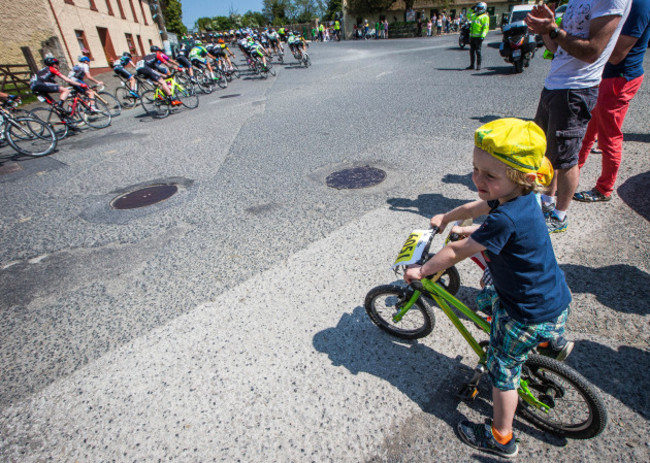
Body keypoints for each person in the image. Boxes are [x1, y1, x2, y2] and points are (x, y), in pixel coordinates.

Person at [404, 118, 574, 458]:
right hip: (552, 296)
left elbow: (454, 252)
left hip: (525, 312)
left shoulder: (504, 219)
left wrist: (422, 269)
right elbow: (477, 207)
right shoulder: (522, 197)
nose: (477, 179)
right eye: (475, 169)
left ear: (521, 177)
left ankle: (501, 437)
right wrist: (448, 217)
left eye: (488, 175)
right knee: (488, 293)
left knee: (503, 372)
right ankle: (550, 341)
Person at [525, 0, 631, 232]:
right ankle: (547, 204)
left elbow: (592, 51)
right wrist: (546, 29)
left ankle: (560, 217)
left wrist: (553, 29)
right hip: (554, 83)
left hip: (577, 88)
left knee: (565, 159)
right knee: (546, 152)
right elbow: (557, 48)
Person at [574, 0, 650, 202]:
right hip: (607, 76)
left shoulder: (641, 5)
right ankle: (571, 175)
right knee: (587, 131)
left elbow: (617, 55)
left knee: (609, 137)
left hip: (619, 78)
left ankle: (604, 189)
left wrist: (591, 46)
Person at [466, 2, 489, 70]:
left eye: (480, 8)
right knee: (471, 51)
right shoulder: (474, 15)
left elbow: (486, 27)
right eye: (478, 8)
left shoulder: (485, 17)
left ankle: (478, 65)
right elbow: (468, 15)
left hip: (479, 37)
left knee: (478, 51)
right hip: (472, 36)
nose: (478, 9)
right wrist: (471, 9)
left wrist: (483, 35)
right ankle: (472, 65)